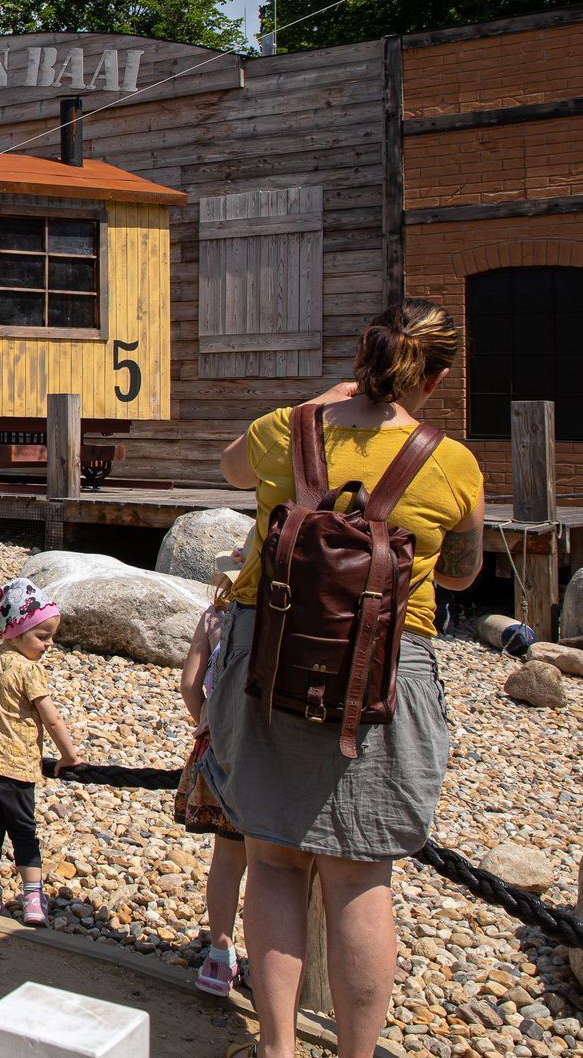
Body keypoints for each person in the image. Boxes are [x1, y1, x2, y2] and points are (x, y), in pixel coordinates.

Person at [206, 299, 483, 1058]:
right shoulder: (451, 462)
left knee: (274, 856)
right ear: (438, 376)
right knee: (361, 876)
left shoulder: (285, 435)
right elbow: (461, 576)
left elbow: (230, 465)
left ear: (362, 356)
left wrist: (323, 400)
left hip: (273, 652)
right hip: (385, 668)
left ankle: (279, 1048)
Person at [0, 577, 82, 927]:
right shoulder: (29, 670)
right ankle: (32, 897)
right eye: (42, 637)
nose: (48, 644)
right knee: (25, 833)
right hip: (15, 769)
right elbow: (51, 719)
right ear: (14, 631)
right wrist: (69, 756)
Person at [174, 564, 248, 996]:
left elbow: (189, 683)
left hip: (219, 745)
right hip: (270, 752)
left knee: (227, 859)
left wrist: (206, 720)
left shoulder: (215, 615)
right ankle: (268, 960)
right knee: (273, 868)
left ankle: (219, 955)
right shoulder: (283, 613)